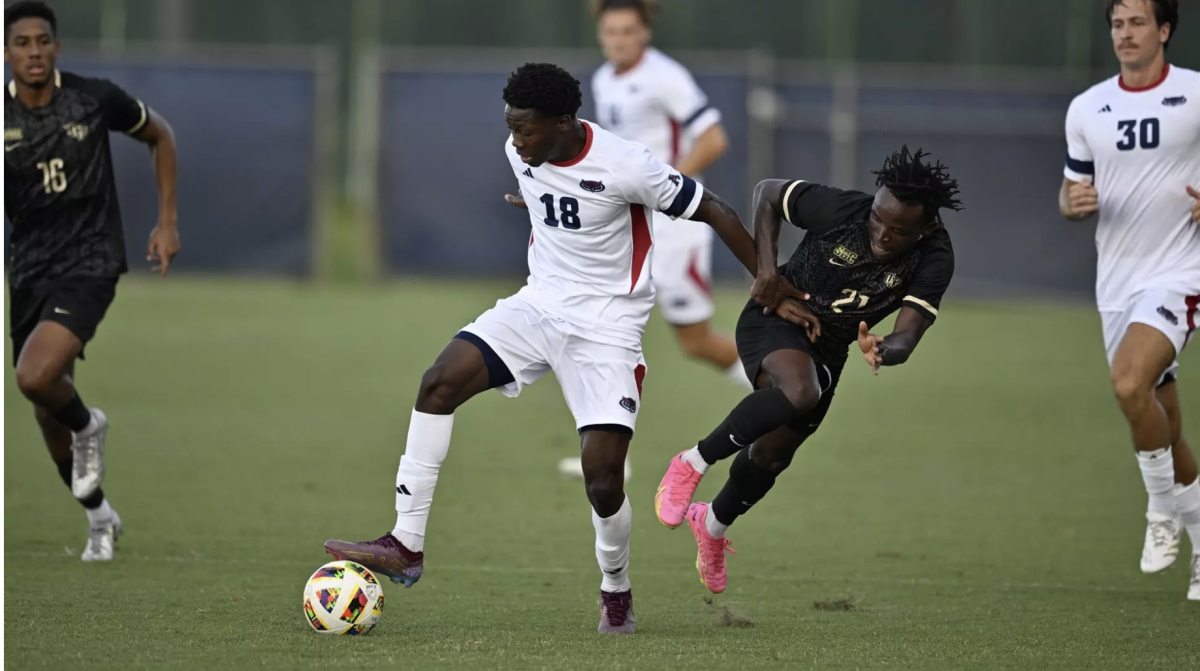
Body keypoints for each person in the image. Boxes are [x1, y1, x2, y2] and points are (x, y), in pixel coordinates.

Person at [324, 62, 769, 633]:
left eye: (527, 130)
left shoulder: (627, 164)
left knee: (603, 480)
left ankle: (616, 590)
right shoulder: (524, 151)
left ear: (565, 121)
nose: (515, 141)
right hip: (538, 306)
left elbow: (718, 211)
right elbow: (552, 201)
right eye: (511, 128)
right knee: (438, 382)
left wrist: (769, 284)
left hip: (608, 327)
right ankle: (406, 544)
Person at [653, 147, 961, 593]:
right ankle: (690, 462)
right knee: (800, 392)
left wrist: (883, 348)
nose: (882, 234)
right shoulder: (844, 209)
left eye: (898, 230)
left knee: (771, 456)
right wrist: (767, 276)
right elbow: (767, 194)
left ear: (926, 226)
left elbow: (907, 336)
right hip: (773, 320)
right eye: (878, 219)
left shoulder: (935, 256)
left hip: (829, 350)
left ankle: (712, 526)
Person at [4, 0, 180, 562]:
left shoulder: (93, 97)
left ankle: (90, 425)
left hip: (91, 261)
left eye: (42, 41)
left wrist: (167, 221)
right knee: (44, 407)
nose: (33, 51)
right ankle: (100, 516)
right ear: (7, 52)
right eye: (21, 43)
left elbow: (161, 135)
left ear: (56, 46)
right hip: (29, 271)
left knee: (34, 377)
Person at [555, 0, 747, 482]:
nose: (618, 39)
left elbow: (714, 139)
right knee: (605, 333)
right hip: (628, 231)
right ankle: (607, 454)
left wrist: (664, 186)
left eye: (627, 31)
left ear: (644, 33)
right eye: (610, 32)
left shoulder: (665, 76)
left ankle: (784, 392)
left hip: (674, 230)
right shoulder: (603, 79)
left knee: (696, 341)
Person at [1059, 0, 1199, 601]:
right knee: (1164, 423)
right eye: (1117, 24)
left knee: (1126, 385)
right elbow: (1070, 191)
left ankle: (1161, 512)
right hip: (1115, 285)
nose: (1126, 34)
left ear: (1164, 30)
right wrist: (1073, 203)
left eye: (1138, 22)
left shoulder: (1195, 94)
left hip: (1180, 272)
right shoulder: (1087, 108)